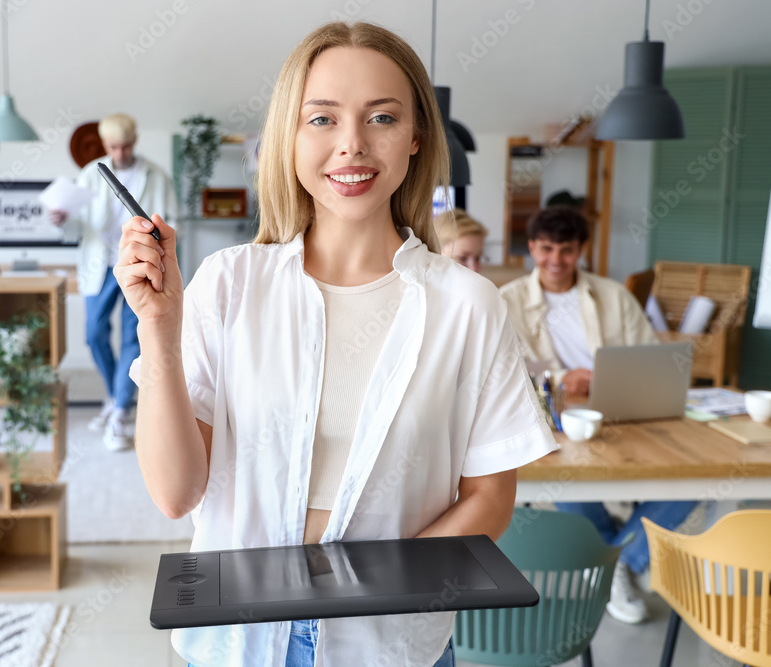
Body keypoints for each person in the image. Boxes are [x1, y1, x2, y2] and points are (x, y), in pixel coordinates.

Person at [117, 22, 557, 667]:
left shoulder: (467, 304)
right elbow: (176, 493)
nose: (352, 145)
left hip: (390, 642)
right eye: (321, 119)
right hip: (239, 641)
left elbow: (489, 498)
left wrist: (368, 592)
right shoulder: (228, 284)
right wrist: (157, 327)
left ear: (415, 140)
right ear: (289, 140)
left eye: (381, 117)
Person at [498, 206, 697, 625]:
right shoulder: (507, 300)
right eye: (547, 248)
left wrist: (607, 377)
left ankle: (613, 560)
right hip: (553, 421)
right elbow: (503, 371)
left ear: (581, 250)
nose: (556, 259)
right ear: (532, 247)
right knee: (569, 479)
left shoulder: (613, 295)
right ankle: (626, 559)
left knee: (695, 477)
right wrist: (560, 377)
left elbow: (648, 358)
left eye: (567, 250)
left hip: (622, 413)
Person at [50, 114, 178, 451]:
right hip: (100, 265)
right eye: (112, 147)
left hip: (140, 264)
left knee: (133, 337)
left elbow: (171, 223)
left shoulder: (157, 177)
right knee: (94, 334)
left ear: (135, 140)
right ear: (104, 145)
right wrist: (62, 220)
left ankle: (120, 411)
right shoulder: (91, 173)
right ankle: (114, 396)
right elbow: (78, 229)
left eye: (125, 146)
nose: (119, 154)